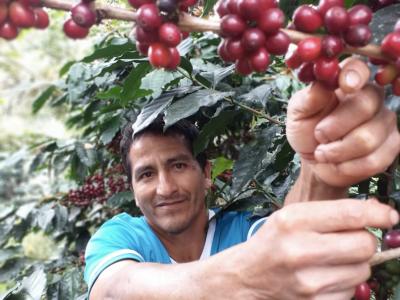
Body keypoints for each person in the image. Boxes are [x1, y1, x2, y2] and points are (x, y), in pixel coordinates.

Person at [84, 57, 400, 300]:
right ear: (133, 189)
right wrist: (246, 274)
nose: (165, 188)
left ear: (206, 174)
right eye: (147, 174)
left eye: (178, 165)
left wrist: (323, 165)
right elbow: (116, 289)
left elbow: (295, 250)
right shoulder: (119, 237)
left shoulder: (244, 231)